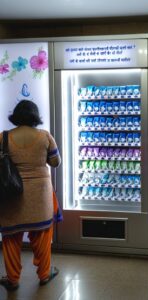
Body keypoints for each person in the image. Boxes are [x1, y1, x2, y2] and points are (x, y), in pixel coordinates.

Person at [0, 100, 62, 291]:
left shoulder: (3, 137)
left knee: (10, 238)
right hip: (39, 196)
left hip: (11, 195)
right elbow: (55, 162)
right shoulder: (45, 136)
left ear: (16, 116)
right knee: (42, 235)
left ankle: (13, 279)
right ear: (36, 116)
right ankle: (44, 274)